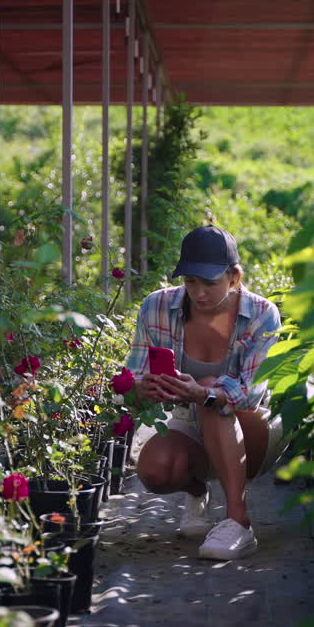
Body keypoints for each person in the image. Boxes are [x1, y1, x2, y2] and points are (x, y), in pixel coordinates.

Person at [125, 224, 283, 560]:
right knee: (156, 471)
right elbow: (130, 377)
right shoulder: (157, 307)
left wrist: (202, 392)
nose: (198, 293)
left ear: (235, 278)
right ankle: (197, 492)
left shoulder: (261, 314)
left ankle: (239, 522)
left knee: (212, 393)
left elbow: (251, 393)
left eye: (210, 282)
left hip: (252, 427)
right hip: (186, 423)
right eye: (190, 281)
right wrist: (140, 387)